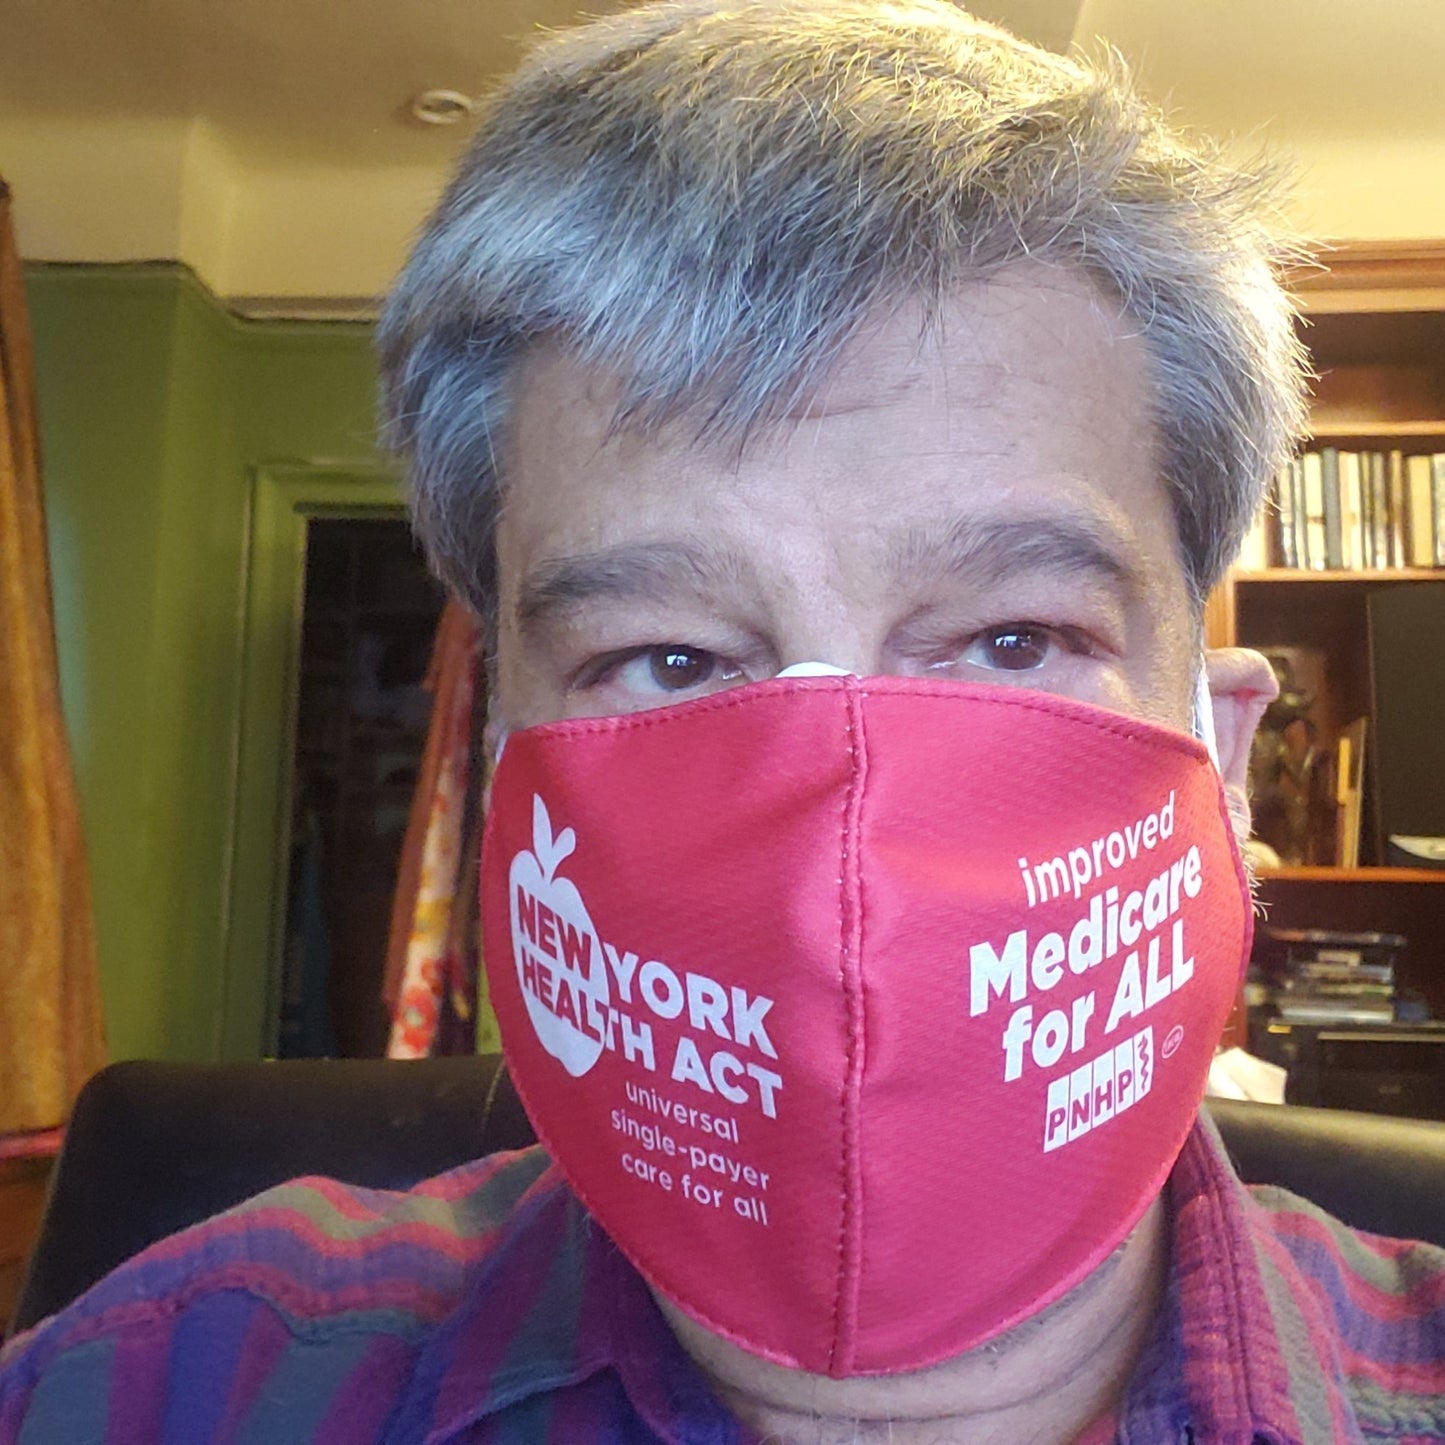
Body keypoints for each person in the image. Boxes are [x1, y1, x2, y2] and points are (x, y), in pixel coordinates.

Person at [4, 3, 1443, 1441]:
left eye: (1015, 639)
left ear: (1227, 764)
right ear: (503, 797)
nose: (839, 864)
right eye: (671, 659)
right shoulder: (159, 1389)